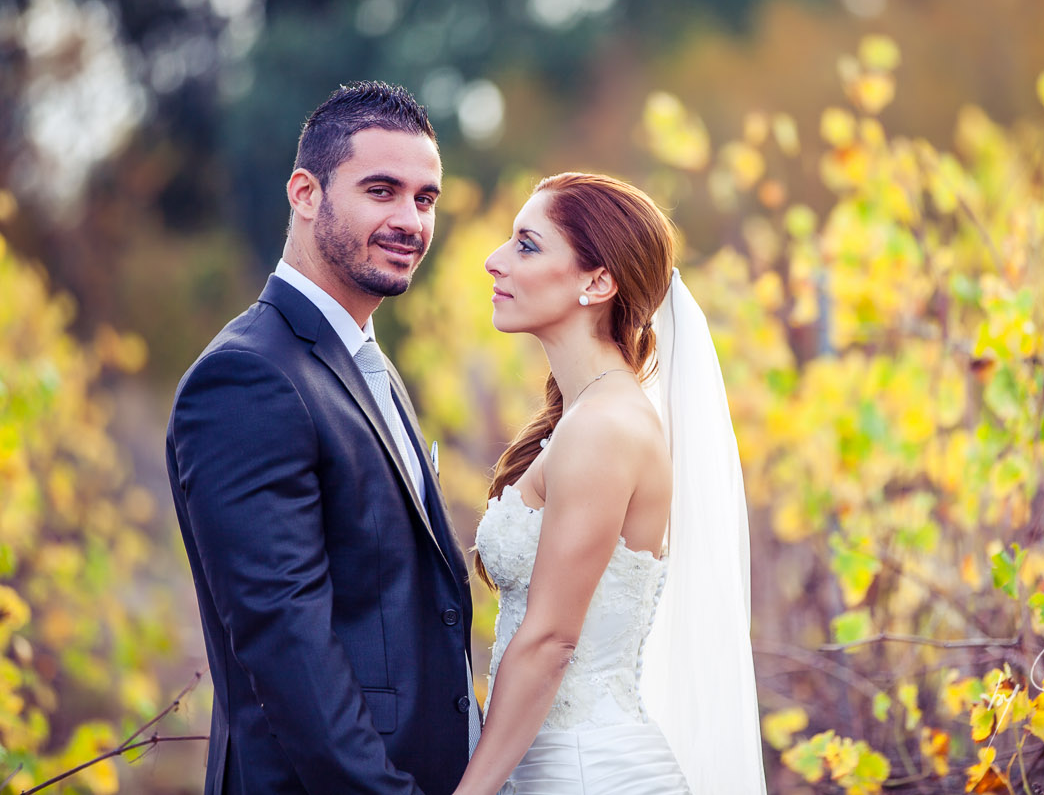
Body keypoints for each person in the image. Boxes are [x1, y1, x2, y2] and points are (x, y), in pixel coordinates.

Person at [165, 81, 478, 793]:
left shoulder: (369, 366)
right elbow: (285, 644)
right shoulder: (248, 377)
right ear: (305, 193)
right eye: (381, 190)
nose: (410, 220)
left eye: (425, 199)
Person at [458, 172, 766, 794]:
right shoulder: (587, 416)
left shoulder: (603, 429)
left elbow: (549, 640)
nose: (494, 262)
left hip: (585, 772)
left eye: (526, 245)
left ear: (596, 282)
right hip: (546, 764)